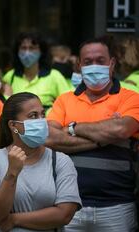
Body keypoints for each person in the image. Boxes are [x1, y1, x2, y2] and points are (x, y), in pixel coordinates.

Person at [46, 37, 139, 231]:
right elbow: (50, 138)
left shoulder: (131, 97)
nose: (94, 66)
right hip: (69, 206)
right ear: (79, 65)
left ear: (112, 63)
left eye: (101, 61)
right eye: (88, 62)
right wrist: (103, 136)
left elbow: (122, 129)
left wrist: (72, 128)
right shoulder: (64, 100)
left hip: (117, 207)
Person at [0, 92, 81, 232]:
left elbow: (65, 214)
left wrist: (14, 219)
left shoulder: (60, 161)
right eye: (33, 116)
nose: (41, 120)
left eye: (42, 114)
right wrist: (11, 174)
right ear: (13, 125)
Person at [3, 32, 72, 111]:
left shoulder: (54, 76)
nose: (27, 53)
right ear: (17, 51)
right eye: (23, 48)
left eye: (32, 48)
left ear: (41, 51)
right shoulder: (10, 76)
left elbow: (68, 104)